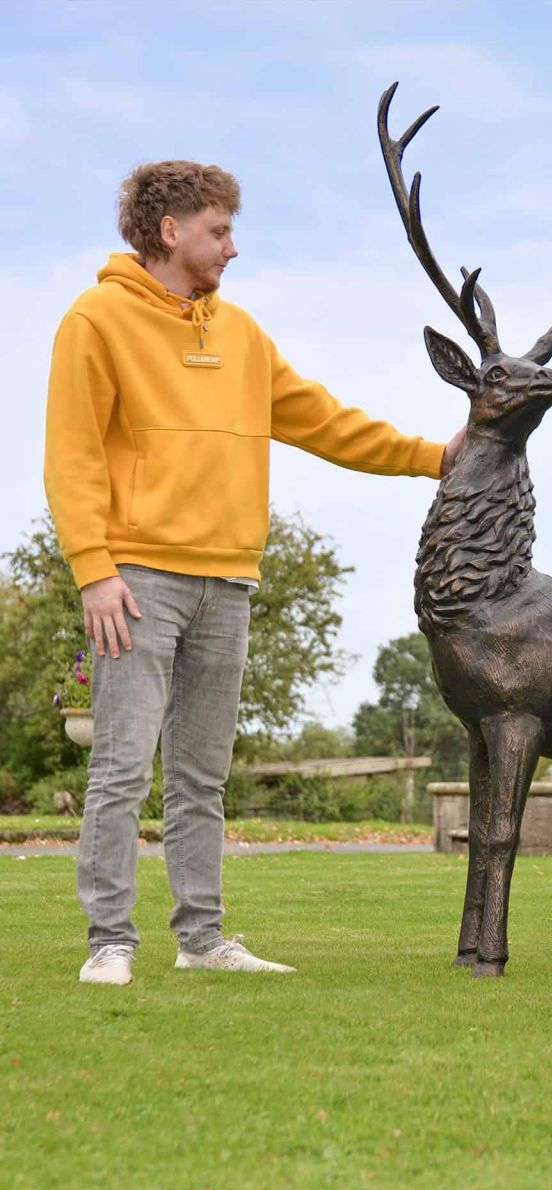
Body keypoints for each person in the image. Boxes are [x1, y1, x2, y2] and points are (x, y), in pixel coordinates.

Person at [44, 160, 464, 986]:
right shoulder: (95, 319)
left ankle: (202, 940)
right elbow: (73, 455)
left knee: (201, 778)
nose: (232, 248)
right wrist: (94, 569)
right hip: (136, 581)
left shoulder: (240, 334)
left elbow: (323, 420)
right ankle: (110, 943)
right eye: (219, 231)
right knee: (122, 768)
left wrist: (432, 458)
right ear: (171, 231)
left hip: (229, 581)